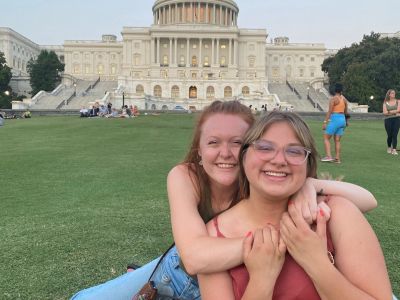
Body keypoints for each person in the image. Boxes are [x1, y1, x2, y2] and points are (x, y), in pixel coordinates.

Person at [71, 101, 378, 300]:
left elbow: (366, 201)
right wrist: (281, 242)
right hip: (183, 269)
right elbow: (194, 257)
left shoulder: (271, 180)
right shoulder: (186, 176)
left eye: (238, 143)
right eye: (213, 143)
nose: (226, 154)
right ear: (199, 151)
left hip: (221, 267)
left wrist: (309, 183)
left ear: (248, 150)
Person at [198, 111, 392, 299]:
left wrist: (317, 263)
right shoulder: (213, 237)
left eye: (294, 151)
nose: (279, 160)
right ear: (244, 156)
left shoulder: (336, 214)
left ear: (308, 164)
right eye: (265, 147)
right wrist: (261, 280)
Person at [321, 83, 348, 164]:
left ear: (334, 90)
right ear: (341, 91)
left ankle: (328, 156)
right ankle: (337, 158)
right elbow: (346, 112)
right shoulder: (344, 100)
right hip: (342, 119)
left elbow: (330, 111)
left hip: (335, 119)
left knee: (326, 138)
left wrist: (325, 122)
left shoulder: (333, 99)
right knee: (337, 140)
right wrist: (346, 122)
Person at [382, 89, 400, 155]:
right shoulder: (385, 102)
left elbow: (398, 110)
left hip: (397, 119)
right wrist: (393, 112)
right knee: (389, 135)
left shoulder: (398, 101)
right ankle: (389, 147)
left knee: (395, 135)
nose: (394, 94)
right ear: (389, 94)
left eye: (394, 93)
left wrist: (389, 112)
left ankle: (394, 150)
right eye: (392, 93)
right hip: (388, 120)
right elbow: (384, 113)